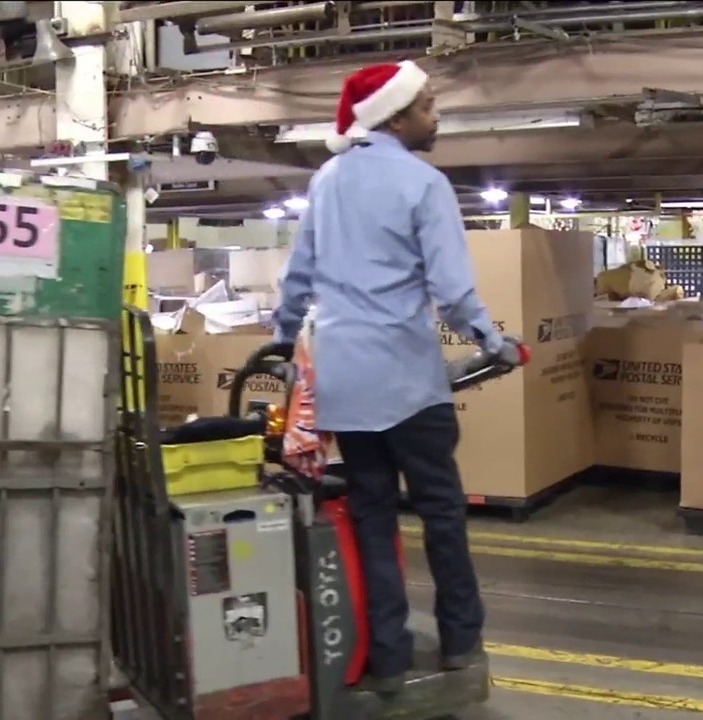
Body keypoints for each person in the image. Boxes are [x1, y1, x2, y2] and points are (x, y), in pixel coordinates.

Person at [271, 60, 523, 693]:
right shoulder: (423, 182)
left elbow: (298, 275)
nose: (437, 116)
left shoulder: (326, 180)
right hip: (409, 383)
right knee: (441, 512)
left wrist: (280, 342)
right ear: (397, 115)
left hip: (345, 384)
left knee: (372, 516)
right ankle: (460, 642)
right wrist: (494, 341)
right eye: (429, 105)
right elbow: (451, 289)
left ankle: (386, 654)